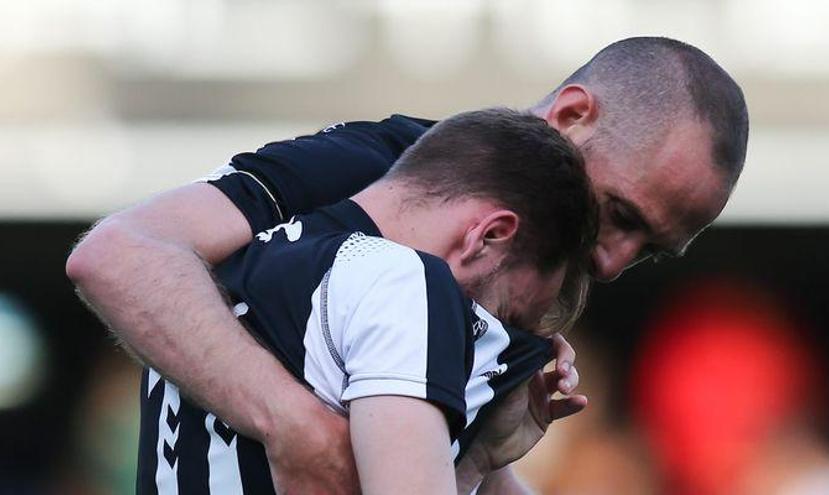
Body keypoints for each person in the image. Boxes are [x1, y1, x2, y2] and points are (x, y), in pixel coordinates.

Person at [66, 36, 749, 494]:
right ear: (572, 114)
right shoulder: (387, 176)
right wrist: (293, 425)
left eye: (650, 250)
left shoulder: (524, 269)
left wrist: (484, 456)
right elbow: (119, 253)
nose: (610, 261)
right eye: (622, 215)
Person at [141, 108, 597, 494]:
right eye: (500, 318)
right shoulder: (407, 281)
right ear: (488, 236)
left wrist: (477, 460)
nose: (486, 353)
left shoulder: (215, 269)